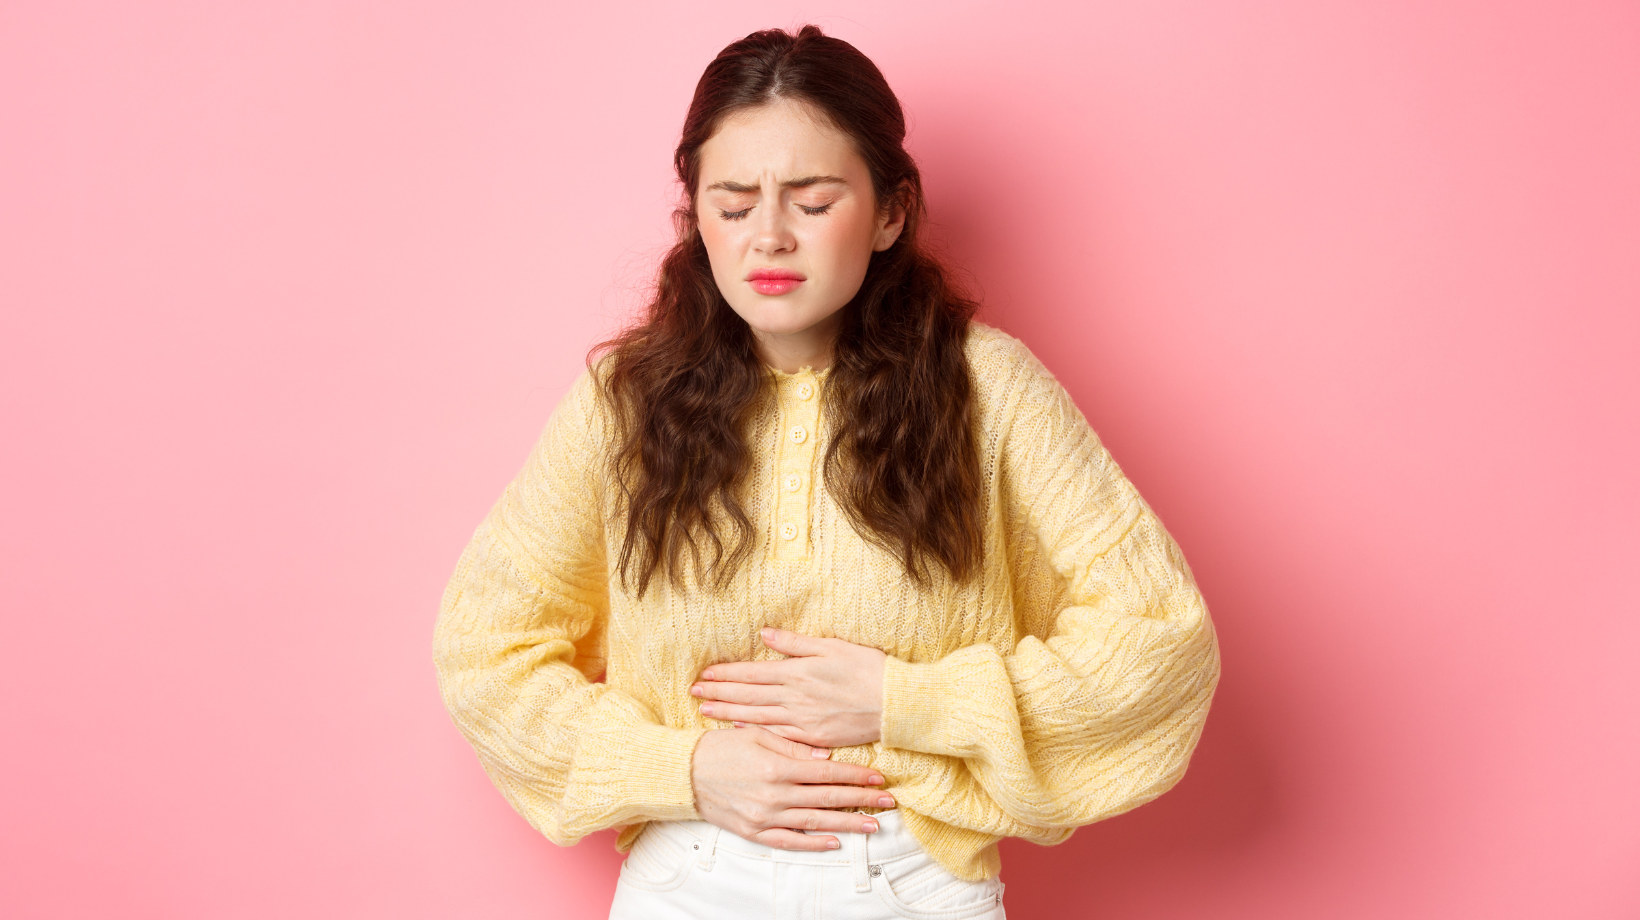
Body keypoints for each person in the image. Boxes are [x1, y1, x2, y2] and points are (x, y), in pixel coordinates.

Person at [433, 25, 1220, 920]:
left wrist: (905, 701)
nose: (769, 236)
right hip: (689, 880)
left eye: (811, 201)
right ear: (696, 219)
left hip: (911, 882)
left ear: (890, 211)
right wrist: (683, 767)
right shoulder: (624, 402)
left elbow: (1161, 639)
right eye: (732, 205)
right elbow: (483, 646)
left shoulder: (990, 389)